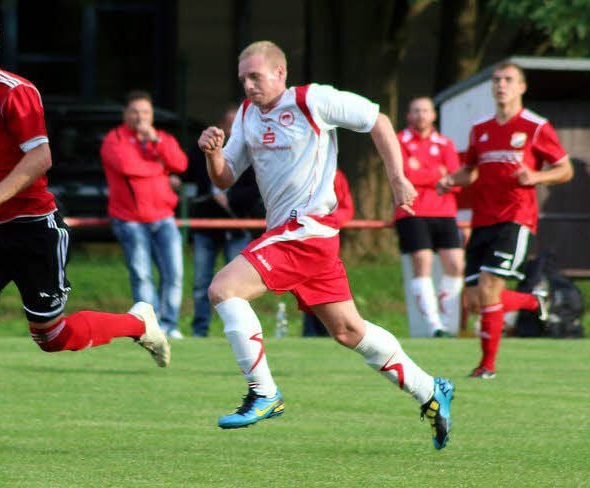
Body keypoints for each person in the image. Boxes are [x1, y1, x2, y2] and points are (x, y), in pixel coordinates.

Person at [0, 10, 170, 447]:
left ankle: (137, 324)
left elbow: (40, 158)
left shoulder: (16, 94)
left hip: (35, 230)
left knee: (51, 336)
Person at [198, 41, 454, 450]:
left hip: (307, 231)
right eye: (243, 78)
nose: (248, 85)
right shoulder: (247, 115)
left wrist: (397, 177)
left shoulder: (313, 100)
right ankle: (430, 388)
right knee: (348, 330)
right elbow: (226, 177)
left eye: (256, 77)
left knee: (222, 289)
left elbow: (378, 119)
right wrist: (212, 154)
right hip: (298, 236)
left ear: (281, 73)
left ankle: (264, 393)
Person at [437, 61, 574, 379]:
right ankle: (531, 301)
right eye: (497, 80)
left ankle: (487, 367)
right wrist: (450, 180)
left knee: (488, 290)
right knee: (474, 299)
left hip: (516, 218)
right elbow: (470, 170)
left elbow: (565, 169)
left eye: (509, 80)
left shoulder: (535, 126)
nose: (501, 85)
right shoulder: (480, 128)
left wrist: (536, 176)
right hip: (482, 219)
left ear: (522, 87)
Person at [100, 91, 188, 339]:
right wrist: (161, 169)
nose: (141, 117)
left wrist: (157, 143)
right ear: (125, 114)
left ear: (152, 115)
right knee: (142, 275)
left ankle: (170, 325)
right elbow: (128, 167)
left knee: (174, 274)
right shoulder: (114, 139)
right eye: (135, 112)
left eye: (146, 112)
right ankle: (149, 326)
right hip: (130, 220)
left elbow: (181, 164)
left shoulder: (163, 139)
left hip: (163, 217)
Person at [183, 105, 261, 337]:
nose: (231, 130)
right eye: (228, 125)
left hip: (237, 227)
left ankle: (242, 332)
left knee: (239, 287)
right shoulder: (202, 150)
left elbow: (256, 190)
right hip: (205, 226)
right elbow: (188, 178)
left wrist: (230, 198)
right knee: (201, 284)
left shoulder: (252, 151)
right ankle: (200, 330)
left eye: (236, 125)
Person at [395, 97, 464, 338]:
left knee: (456, 265)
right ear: (408, 115)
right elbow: (403, 176)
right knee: (422, 262)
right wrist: (438, 174)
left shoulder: (445, 143)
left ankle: (446, 323)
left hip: (444, 211)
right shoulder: (399, 140)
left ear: (433, 115)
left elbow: (456, 181)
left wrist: (422, 173)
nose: (421, 115)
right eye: (416, 111)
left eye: (425, 110)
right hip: (412, 211)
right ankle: (433, 325)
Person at [301, 168, 353, 337]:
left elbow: (346, 207)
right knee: (305, 286)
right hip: (296, 237)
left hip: (324, 241)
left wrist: (328, 223)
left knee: (323, 287)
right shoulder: (294, 169)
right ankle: (312, 332)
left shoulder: (335, 175)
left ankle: (327, 331)